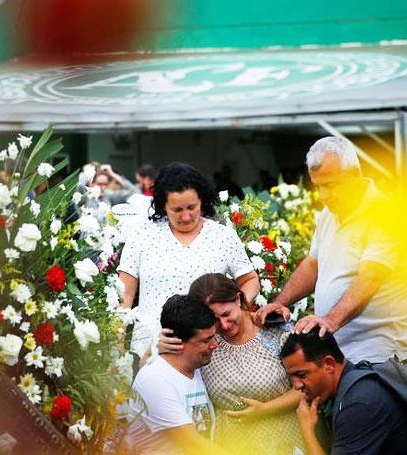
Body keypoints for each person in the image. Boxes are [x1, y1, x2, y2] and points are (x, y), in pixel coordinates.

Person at [256, 136, 407, 368]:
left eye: (330, 185)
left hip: (384, 357)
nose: (323, 196)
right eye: (318, 186)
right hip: (345, 352)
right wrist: (280, 302)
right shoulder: (329, 213)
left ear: (354, 174)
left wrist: (329, 320)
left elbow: (371, 277)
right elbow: (313, 264)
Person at [118, 163, 259, 362]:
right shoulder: (142, 235)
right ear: (162, 206)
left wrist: (229, 312)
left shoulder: (223, 236)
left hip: (209, 351)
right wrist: (116, 344)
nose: (186, 216)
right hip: (149, 349)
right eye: (176, 209)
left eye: (192, 207)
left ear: (202, 200)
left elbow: (250, 279)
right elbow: (124, 295)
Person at [160, 273, 303, 454]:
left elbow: (307, 385)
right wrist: (159, 347)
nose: (224, 325)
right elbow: (160, 372)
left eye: (226, 314)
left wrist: (265, 409)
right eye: (214, 320)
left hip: (283, 440)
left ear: (237, 299)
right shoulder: (204, 342)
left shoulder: (273, 329)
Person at [281, 328, 407, 455]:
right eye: (291, 377)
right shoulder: (354, 382)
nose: (296, 385)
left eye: (301, 375)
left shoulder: (359, 403)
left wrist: (307, 429)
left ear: (329, 364)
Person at [127, 294, 226, 454]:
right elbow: (194, 444)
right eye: (206, 340)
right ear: (177, 341)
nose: (214, 345)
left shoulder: (196, 366)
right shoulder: (155, 380)